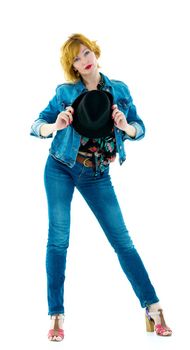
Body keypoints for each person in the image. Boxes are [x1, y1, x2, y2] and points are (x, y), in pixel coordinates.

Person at [30, 33, 172, 341]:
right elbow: (36, 124)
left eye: (85, 52)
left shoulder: (119, 90)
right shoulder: (65, 93)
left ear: (94, 51)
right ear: (74, 67)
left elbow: (140, 128)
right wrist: (55, 125)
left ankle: (153, 308)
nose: (84, 60)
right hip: (61, 167)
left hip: (97, 174)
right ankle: (56, 315)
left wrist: (125, 126)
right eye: (77, 58)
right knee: (58, 239)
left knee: (122, 241)